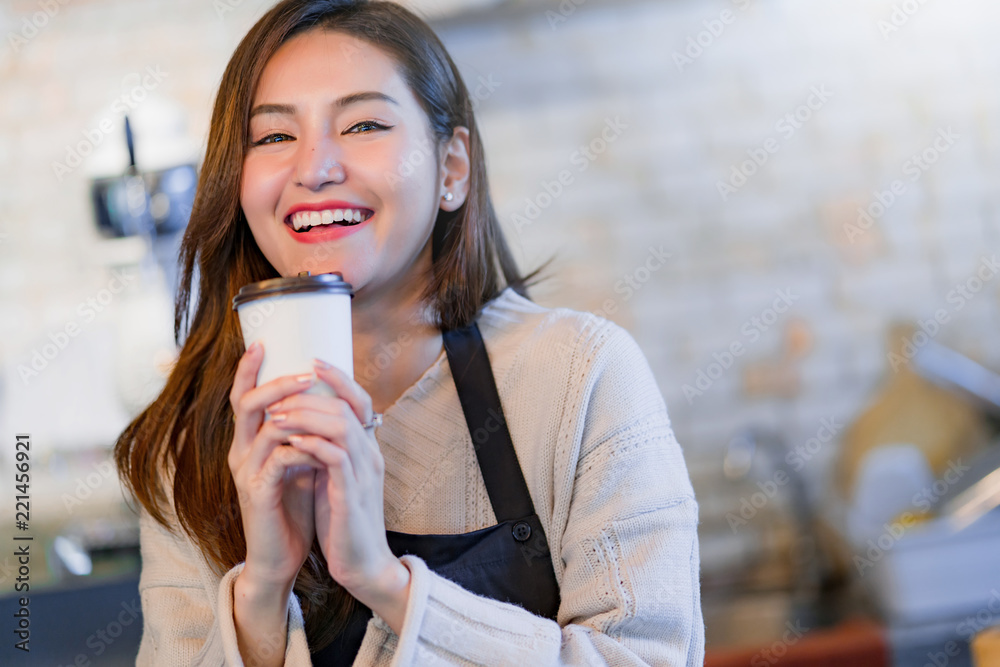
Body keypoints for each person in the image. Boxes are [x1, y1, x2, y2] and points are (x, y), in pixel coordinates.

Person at [113, 0, 704, 664]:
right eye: (274, 136)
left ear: (452, 168)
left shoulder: (582, 376)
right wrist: (259, 593)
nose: (315, 167)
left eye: (364, 123)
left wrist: (386, 583)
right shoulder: (194, 438)